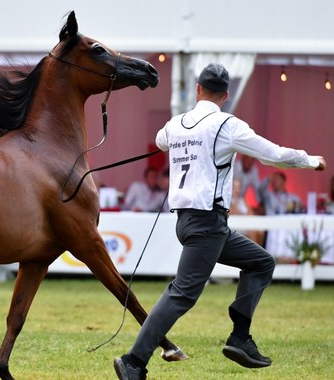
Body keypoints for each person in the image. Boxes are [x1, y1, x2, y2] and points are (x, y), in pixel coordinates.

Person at [113, 63, 327, 380]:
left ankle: (240, 338)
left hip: (190, 222)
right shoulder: (227, 125)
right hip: (207, 223)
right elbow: (272, 155)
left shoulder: (175, 124)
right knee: (181, 294)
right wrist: (311, 161)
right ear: (225, 95)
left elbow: (161, 140)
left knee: (261, 262)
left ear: (198, 89)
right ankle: (134, 361)